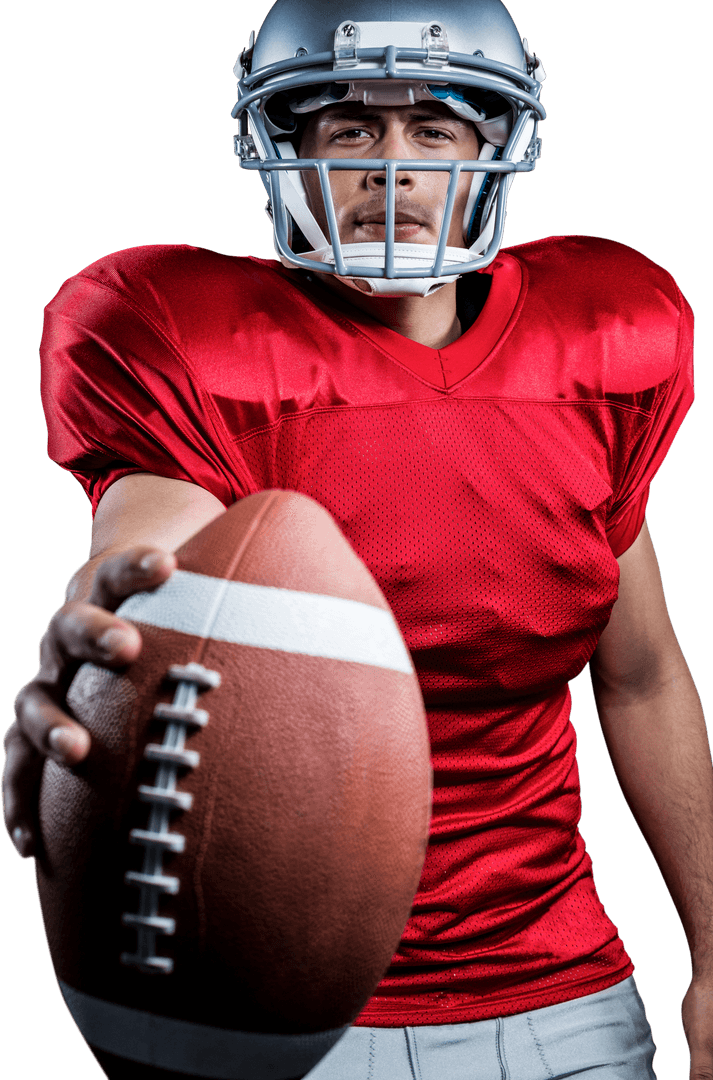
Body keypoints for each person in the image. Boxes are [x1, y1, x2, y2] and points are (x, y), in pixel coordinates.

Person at [2, 0, 711, 1078]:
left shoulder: (600, 342)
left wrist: (710, 951)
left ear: (494, 145)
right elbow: (158, 553)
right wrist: (102, 633)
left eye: (432, 131)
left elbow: (642, 676)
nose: (391, 168)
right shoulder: (181, 336)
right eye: (348, 130)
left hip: (564, 998)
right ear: (284, 151)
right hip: (290, 1020)